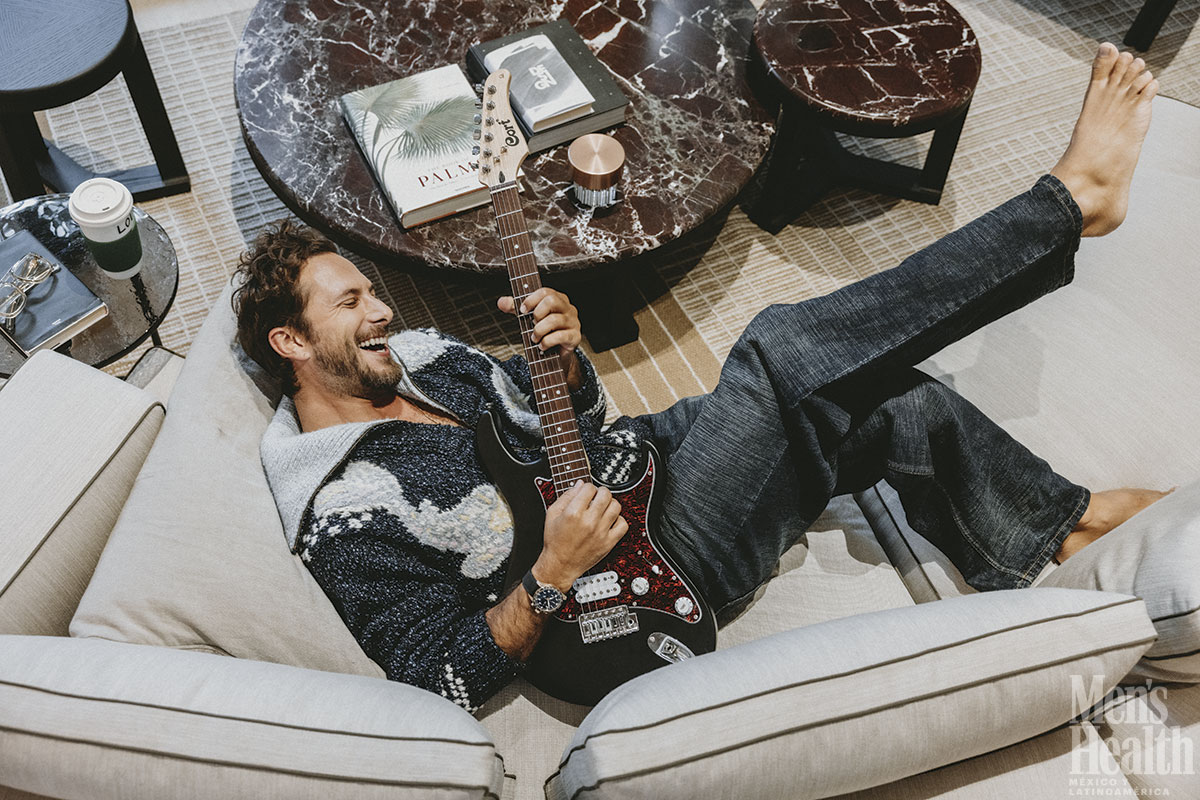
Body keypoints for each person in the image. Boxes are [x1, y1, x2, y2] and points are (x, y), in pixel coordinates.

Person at [239, 44, 1169, 713]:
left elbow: (569, 431)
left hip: (642, 459)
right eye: (351, 304)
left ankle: (1059, 522)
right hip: (638, 571)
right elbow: (436, 672)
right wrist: (554, 573)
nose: (384, 312)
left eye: (371, 293)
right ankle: (1065, 208)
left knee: (881, 392)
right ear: (290, 342)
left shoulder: (427, 362)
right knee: (780, 351)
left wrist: (564, 366)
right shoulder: (342, 512)